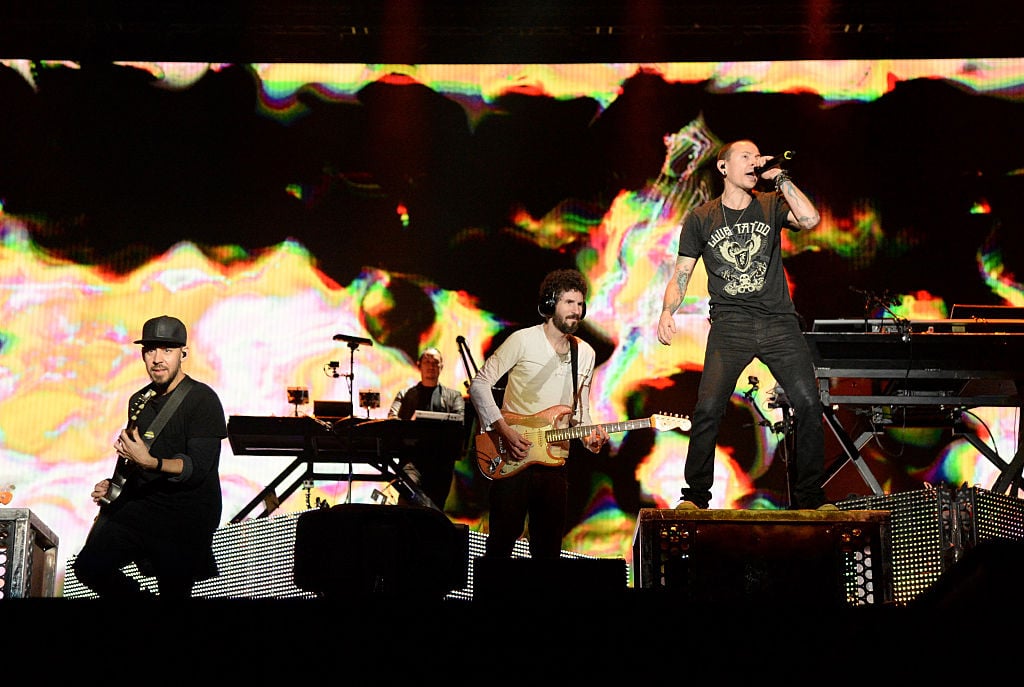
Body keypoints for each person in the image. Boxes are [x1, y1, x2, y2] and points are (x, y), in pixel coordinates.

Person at [656, 139, 834, 511]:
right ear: (723, 167)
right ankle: (695, 498)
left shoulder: (770, 204)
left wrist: (779, 177)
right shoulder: (702, 218)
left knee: (809, 404)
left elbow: (811, 219)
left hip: (779, 324)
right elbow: (682, 273)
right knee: (707, 408)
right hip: (730, 325)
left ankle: (811, 499)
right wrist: (667, 311)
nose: (754, 162)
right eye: (745, 156)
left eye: (757, 156)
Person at [73, 315, 227, 598]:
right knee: (88, 567)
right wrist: (114, 484)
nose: (158, 359)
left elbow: (197, 468)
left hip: (185, 515)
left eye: (167, 350)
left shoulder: (202, 399)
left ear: (183, 354)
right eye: (151, 350)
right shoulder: (139, 400)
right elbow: (133, 456)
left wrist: (150, 462)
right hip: (143, 506)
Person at [469, 268, 609, 559]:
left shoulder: (585, 354)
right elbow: (480, 385)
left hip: (554, 463)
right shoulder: (522, 341)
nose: (576, 310)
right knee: (501, 544)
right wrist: (504, 429)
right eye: (569, 303)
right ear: (550, 305)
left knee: (548, 550)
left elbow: (580, 413)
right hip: (512, 455)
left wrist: (589, 438)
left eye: (580, 304)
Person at [387, 347, 466, 511]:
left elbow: (460, 423)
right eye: (427, 361)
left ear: (441, 367)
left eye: (435, 362)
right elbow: (392, 422)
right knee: (406, 503)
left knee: (435, 511)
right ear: (419, 365)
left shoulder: (454, 397)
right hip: (411, 462)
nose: (431, 366)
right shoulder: (405, 394)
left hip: (441, 464)